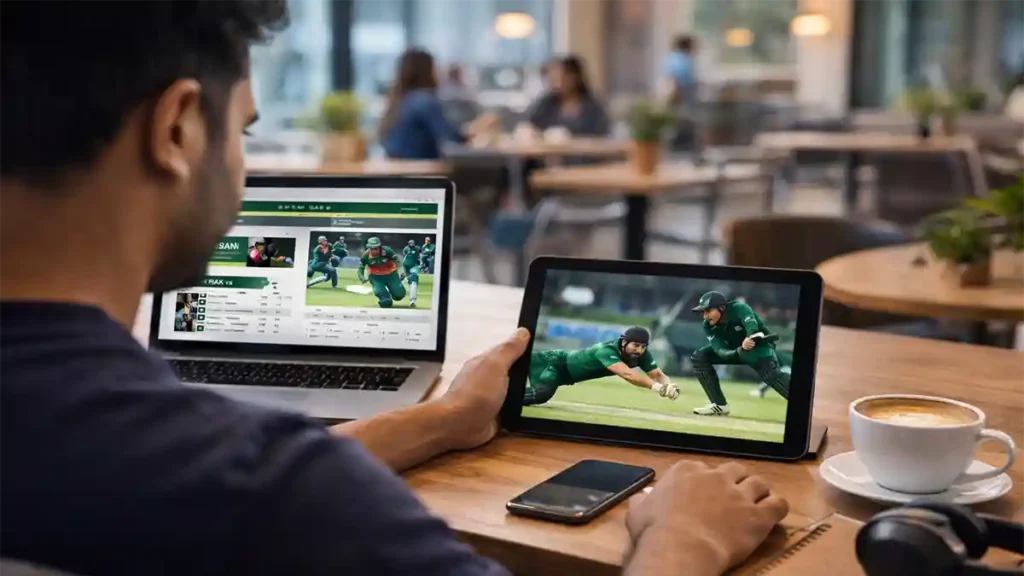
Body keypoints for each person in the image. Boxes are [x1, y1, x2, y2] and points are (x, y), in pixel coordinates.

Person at [0, 3, 787, 575]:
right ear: (176, 130)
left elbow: (223, 478)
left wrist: (440, 420)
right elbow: (260, 485)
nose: (241, 163)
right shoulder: (275, 496)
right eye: (241, 131)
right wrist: (686, 542)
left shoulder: (200, 473)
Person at [379, 49, 497, 160]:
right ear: (427, 71)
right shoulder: (424, 100)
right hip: (421, 170)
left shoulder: (400, 100)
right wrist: (480, 125)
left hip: (399, 170)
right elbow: (454, 136)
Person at [690, 292, 791, 416]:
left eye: (708, 311)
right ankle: (719, 405)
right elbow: (719, 349)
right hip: (736, 351)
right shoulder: (708, 325)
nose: (705, 316)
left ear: (721, 308)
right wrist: (737, 351)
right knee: (700, 357)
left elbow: (750, 323)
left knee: (772, 377)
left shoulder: (739, 308)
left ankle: (804, 404)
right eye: (703, 312)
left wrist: (750, 336)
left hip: (758, 348)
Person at [524, 327, 679, 406]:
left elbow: (657, 374)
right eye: (636, 345)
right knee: (541, 394)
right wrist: (657, 388)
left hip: (561, 371)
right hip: (553, 364)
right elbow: (627, 374)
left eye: (643, 346)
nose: (639, 350)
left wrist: (668, 385)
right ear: (624, 342)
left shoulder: (640, 354)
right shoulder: (606, 350)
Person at [524, 55, 610, 136]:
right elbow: (531, 125)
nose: (554, 83)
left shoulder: (592, 107)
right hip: (551, 151)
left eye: (558, 78)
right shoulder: (546, 104)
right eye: (551, 78)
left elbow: (602, 135)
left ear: (574, 77)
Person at [358, 237, 407, 308]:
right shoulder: (365, 256)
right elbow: (360, 268)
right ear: (369, 248)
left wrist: (402, 272)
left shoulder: (387, 251)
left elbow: (397, 261)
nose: (374, 251)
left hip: (391, 275)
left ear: (380, 246)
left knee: (399, 295)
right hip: (376, 277)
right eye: (372, 249)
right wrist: (362, 278)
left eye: (376, 248)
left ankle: (393, 290)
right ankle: (385, 297)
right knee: (385, 301)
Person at [661, 35, 698, 107]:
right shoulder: (684, 60)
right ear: (688, 46)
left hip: (669, 95)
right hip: (679, 97)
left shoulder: (670, 58)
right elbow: (681, 82)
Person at [402, 239, 422, 308]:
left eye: (413, 243)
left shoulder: (417, 248)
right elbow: (404, 257)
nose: (412, 245)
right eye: (410, 243)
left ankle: (412, 300)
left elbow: (420, 255)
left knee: (413, 281)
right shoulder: (405, 249)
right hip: (406, 267)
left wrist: (421, 263)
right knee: (409, 281)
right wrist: (405, 271)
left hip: (414, 266)